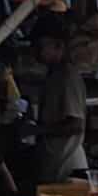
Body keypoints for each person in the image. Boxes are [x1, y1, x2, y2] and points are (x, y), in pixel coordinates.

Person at [35, 25, 88, 184]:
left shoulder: (68, 76)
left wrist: (38, 130)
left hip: (67, 163)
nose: (36, 51)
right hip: (54, 161)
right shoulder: (53, 75)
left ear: (58, 46)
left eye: (41, 46)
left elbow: (76, 124)